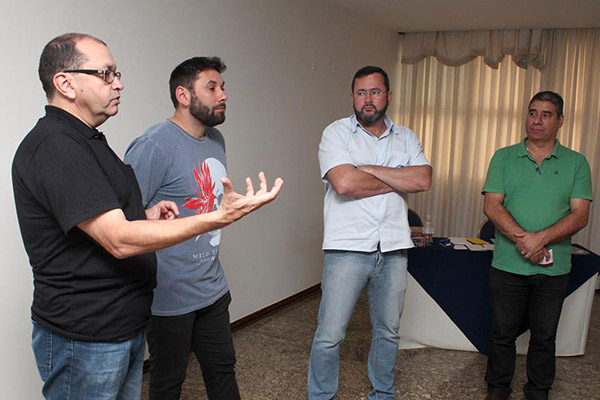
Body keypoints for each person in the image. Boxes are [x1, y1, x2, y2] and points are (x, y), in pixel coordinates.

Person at [12, 33, 283, 400]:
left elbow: (108, 214)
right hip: (87, 336)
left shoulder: (88, 140)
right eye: (106, 74)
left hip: (121, 326)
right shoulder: (55, 145)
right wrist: (218, 217)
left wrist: (148, 214)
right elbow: (119, 239)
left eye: (116, 73)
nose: (118, 83)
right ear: (65, 83)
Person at [308, 65, 432, 400]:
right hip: (347, 248)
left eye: (374, 92)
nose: (367, 99)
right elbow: (344, 183)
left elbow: (422, 180)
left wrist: (368, 171)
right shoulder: (336, 133)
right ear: (352, 96)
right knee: (330, 334)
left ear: (388, 96)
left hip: (393, 248)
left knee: (389, 332)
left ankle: (382, 393)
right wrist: (396, 176)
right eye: (361, 92)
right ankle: (321, 396)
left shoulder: (405, 136)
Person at [123, 57, 239, 399]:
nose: (223, 95)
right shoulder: (153, 145)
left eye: (223, 87)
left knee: (222, 371)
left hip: (212, 288)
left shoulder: (215, 139)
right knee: (168, 380)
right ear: (184, 95)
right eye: (212, 87)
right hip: (168, 296)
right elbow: (125, 221)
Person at [481, 91, 592, 400]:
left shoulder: (577, 163)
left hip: (553, 267)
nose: (537, 120)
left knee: (544, 335)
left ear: (560, 120)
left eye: (546, 114)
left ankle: (538, 389)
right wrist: (525, 240)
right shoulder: (504, 156)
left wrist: (539, 239)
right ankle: (498, 387)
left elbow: (580, 214)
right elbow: (492, 206)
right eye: (532, 112)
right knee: (502, 332)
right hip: (507, 264)